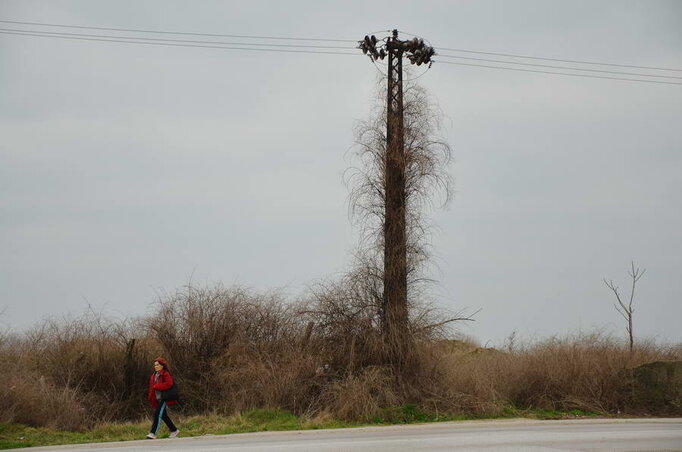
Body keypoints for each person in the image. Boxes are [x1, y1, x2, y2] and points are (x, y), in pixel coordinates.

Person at [146, 357, 180, 439]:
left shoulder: (165, 373)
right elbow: (152, 388)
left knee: (157, 414)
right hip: (157, 399)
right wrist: (150, 398)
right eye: (155, 365)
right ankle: (174, 430)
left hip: (164, 398)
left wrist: (157, 386)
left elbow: (169, 384)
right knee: (164, 416)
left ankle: (153, 433)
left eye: (157, 365)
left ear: (162, 365)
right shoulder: (153, 376)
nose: (156, 366)